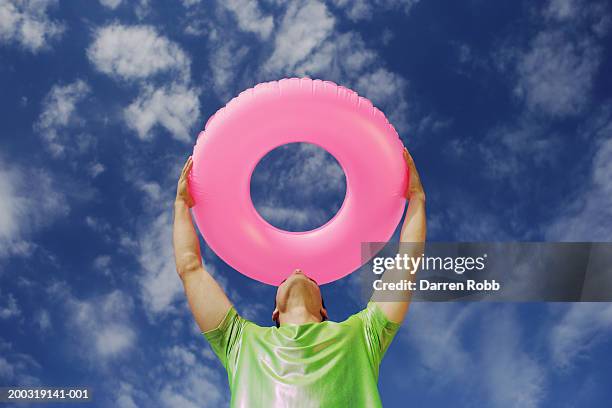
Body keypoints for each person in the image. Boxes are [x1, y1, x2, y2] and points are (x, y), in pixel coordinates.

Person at [173, 148, 426, 407]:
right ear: (274, 313)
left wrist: (417, 198)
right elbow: (190, 268)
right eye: (285, 279)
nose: (297, 271)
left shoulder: (363, 333)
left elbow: (407, 263)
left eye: (310, 278)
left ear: (324, 309)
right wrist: (181, 205)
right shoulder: (239, 341)